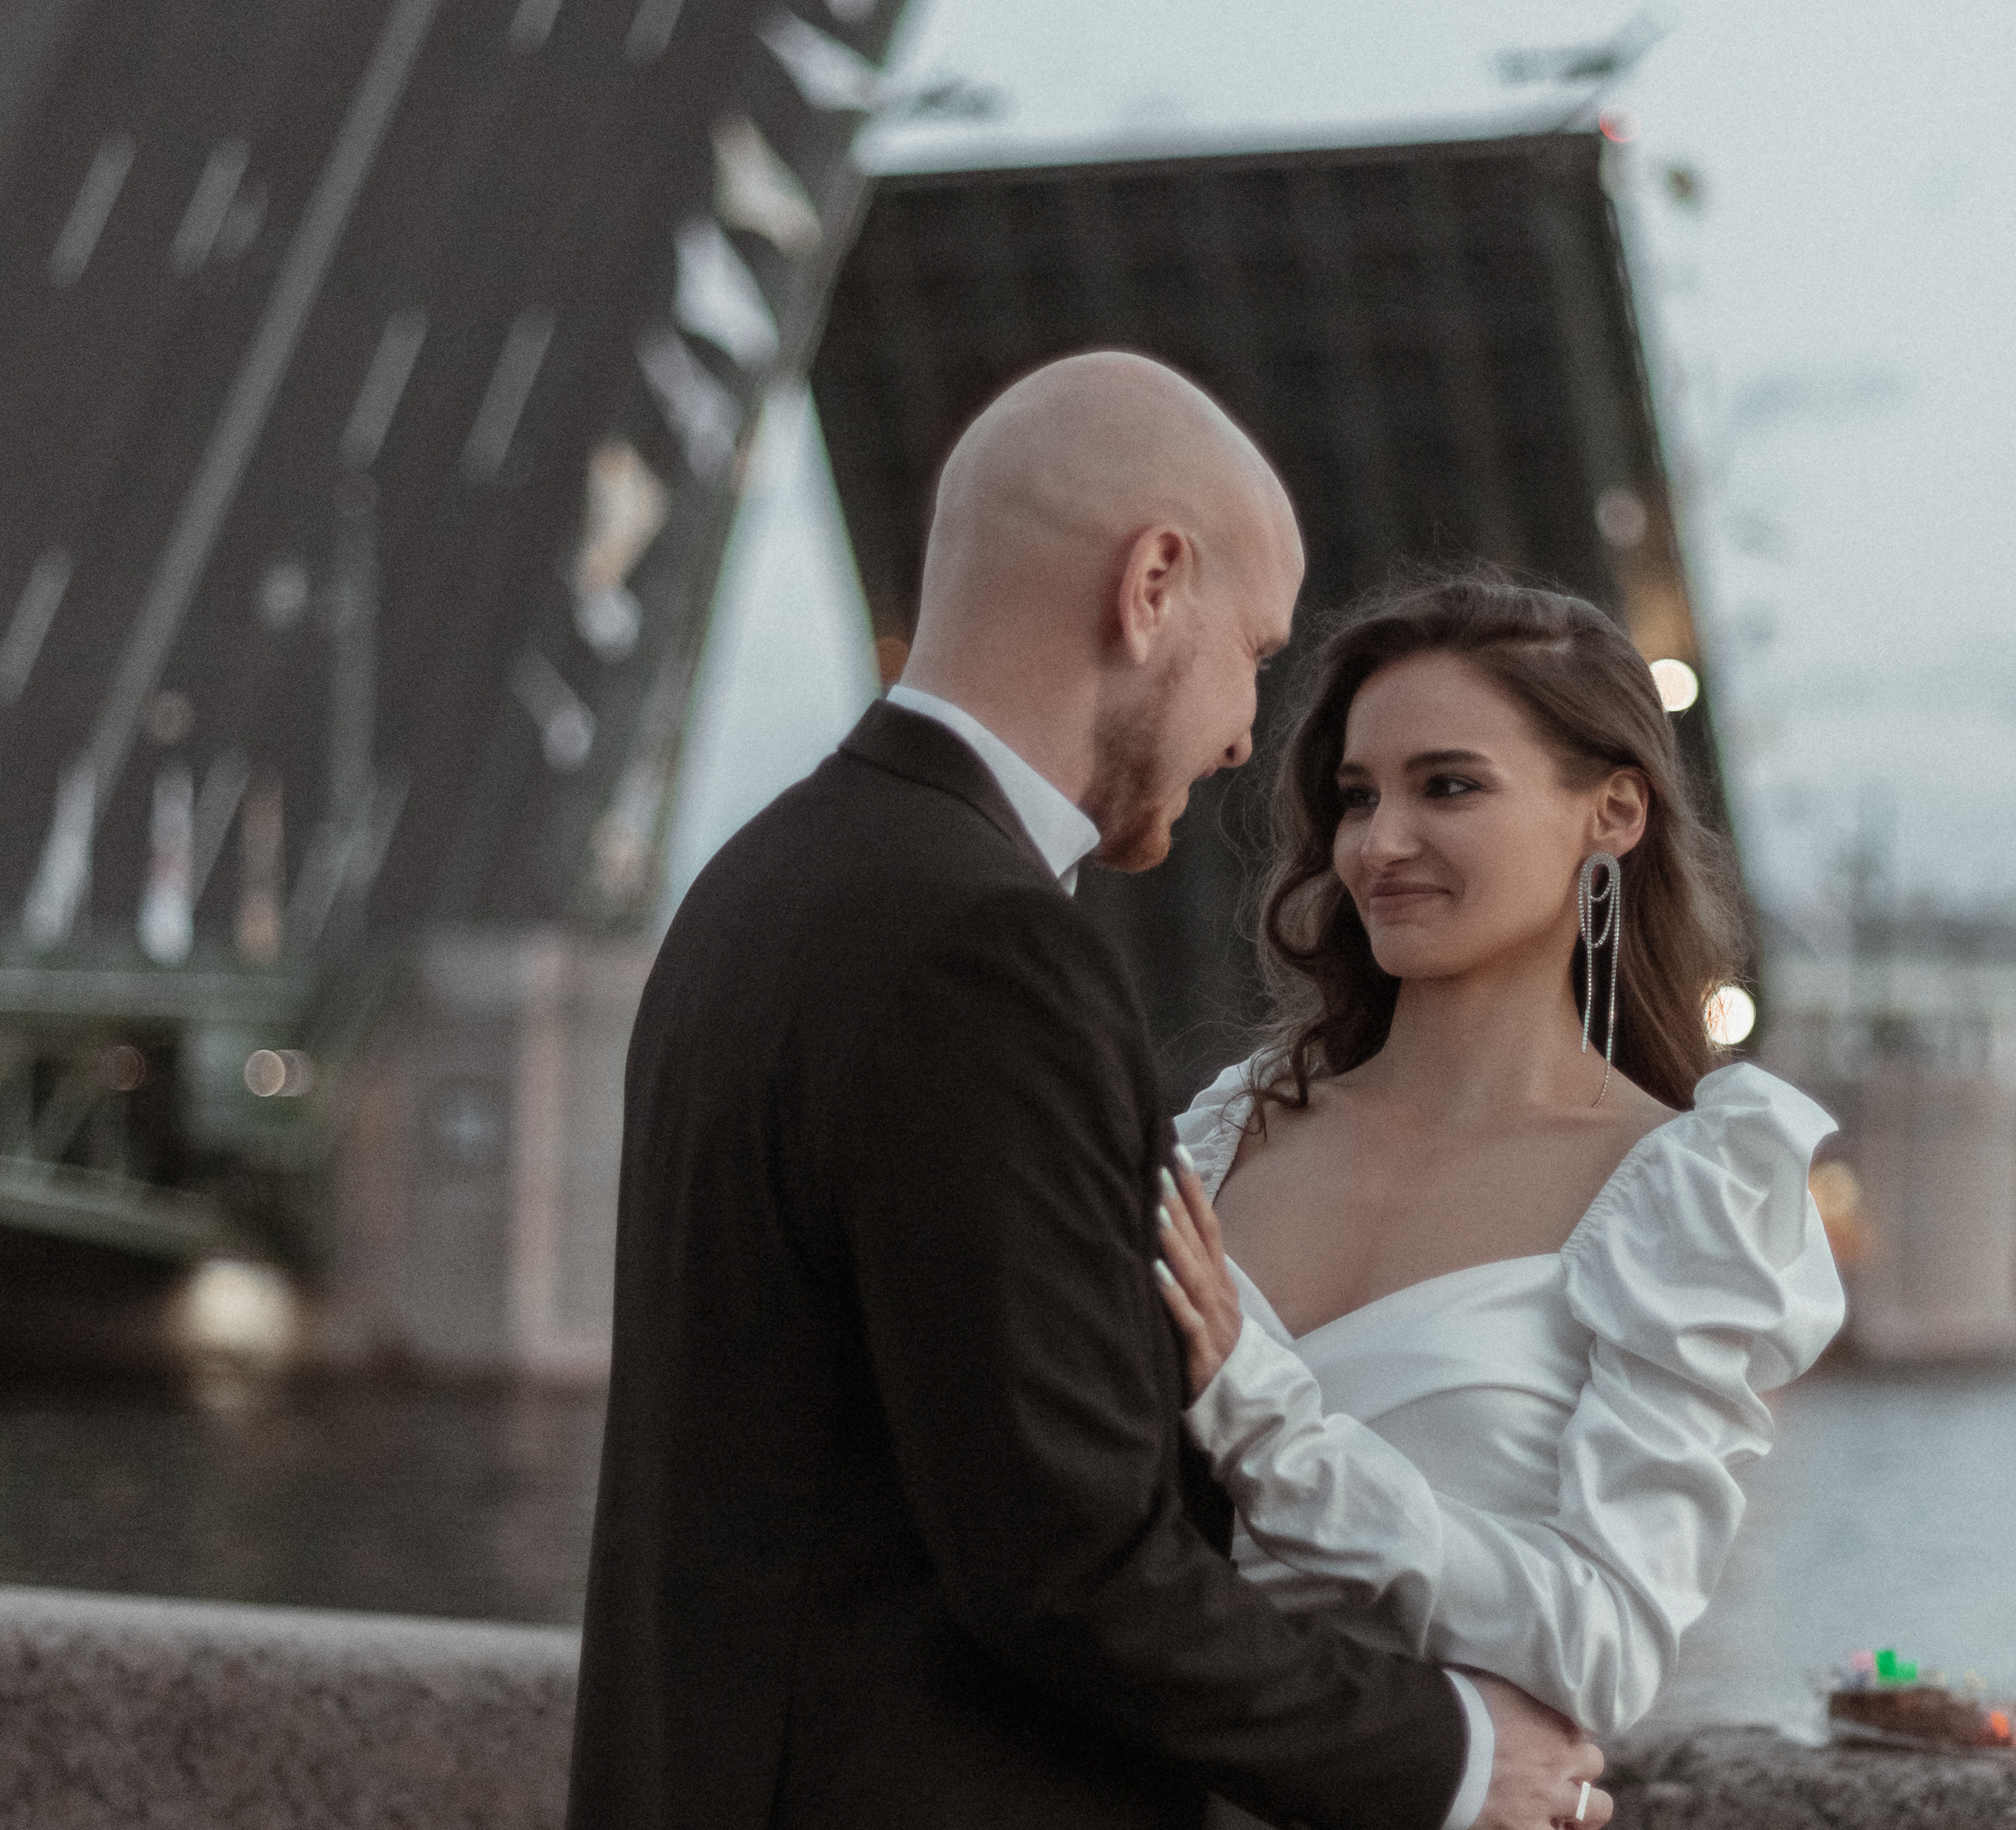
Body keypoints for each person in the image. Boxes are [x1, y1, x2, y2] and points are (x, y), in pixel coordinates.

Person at [569, 353, 1604, 1830]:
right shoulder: (982, 951)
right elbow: (1065, 1555)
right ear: (1152, 587)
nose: (1250, 733)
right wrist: (1448, 1754)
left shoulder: (760, 884)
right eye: (1253, 651)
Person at [1151, 571, 1846, 1752]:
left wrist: (1264, 1422)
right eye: (1358, 795)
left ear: (1613, 813)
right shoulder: (1223, 1134)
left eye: (1450, 786)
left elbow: (1605, 1646)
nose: (1380, 842)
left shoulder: (1686, 1200)